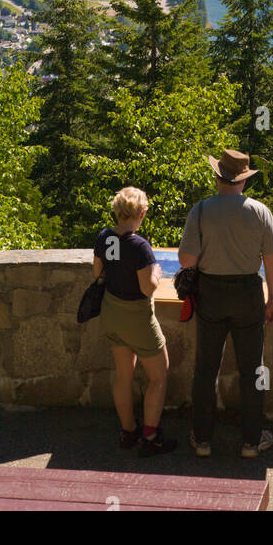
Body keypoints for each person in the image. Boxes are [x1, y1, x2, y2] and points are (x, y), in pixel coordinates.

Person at [178, 148, 273, 459]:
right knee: (253, 369)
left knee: (205, 368)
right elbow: (272, 261)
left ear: (217, 176)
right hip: (248, 294)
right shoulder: (259, 211)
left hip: (211, 293)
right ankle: (251, 442)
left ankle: (202, 440)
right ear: (243, 181)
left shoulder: (200, 211)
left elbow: (186, 260)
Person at [92, 186, 177, 457]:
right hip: (137, 318)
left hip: (111, 314)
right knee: (158, 375)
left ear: (117, 211)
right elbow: (147, 289)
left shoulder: (104, 238)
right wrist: (158, 273)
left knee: (124, 375)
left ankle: (128, 431)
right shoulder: (140, 246)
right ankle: (151, 438)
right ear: (141, 213)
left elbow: (98, 275)